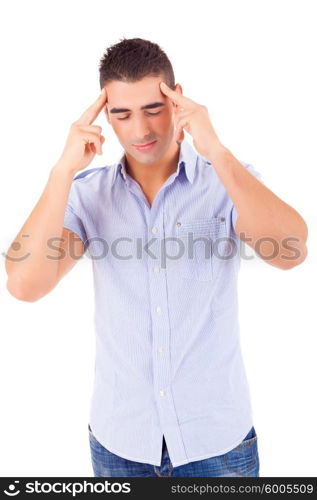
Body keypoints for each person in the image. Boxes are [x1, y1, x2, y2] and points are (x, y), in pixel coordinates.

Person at [5, 37, 308, 477]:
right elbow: (24, 285)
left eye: (152, 108)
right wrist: (61, 172)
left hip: (216, 443)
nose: (140, 130)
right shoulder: (86, 196)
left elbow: (291, 252)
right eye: (122, 114)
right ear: (106, 116)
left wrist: (217, 151)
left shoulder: (224, 182)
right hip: (121, 443)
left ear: (177, 98)